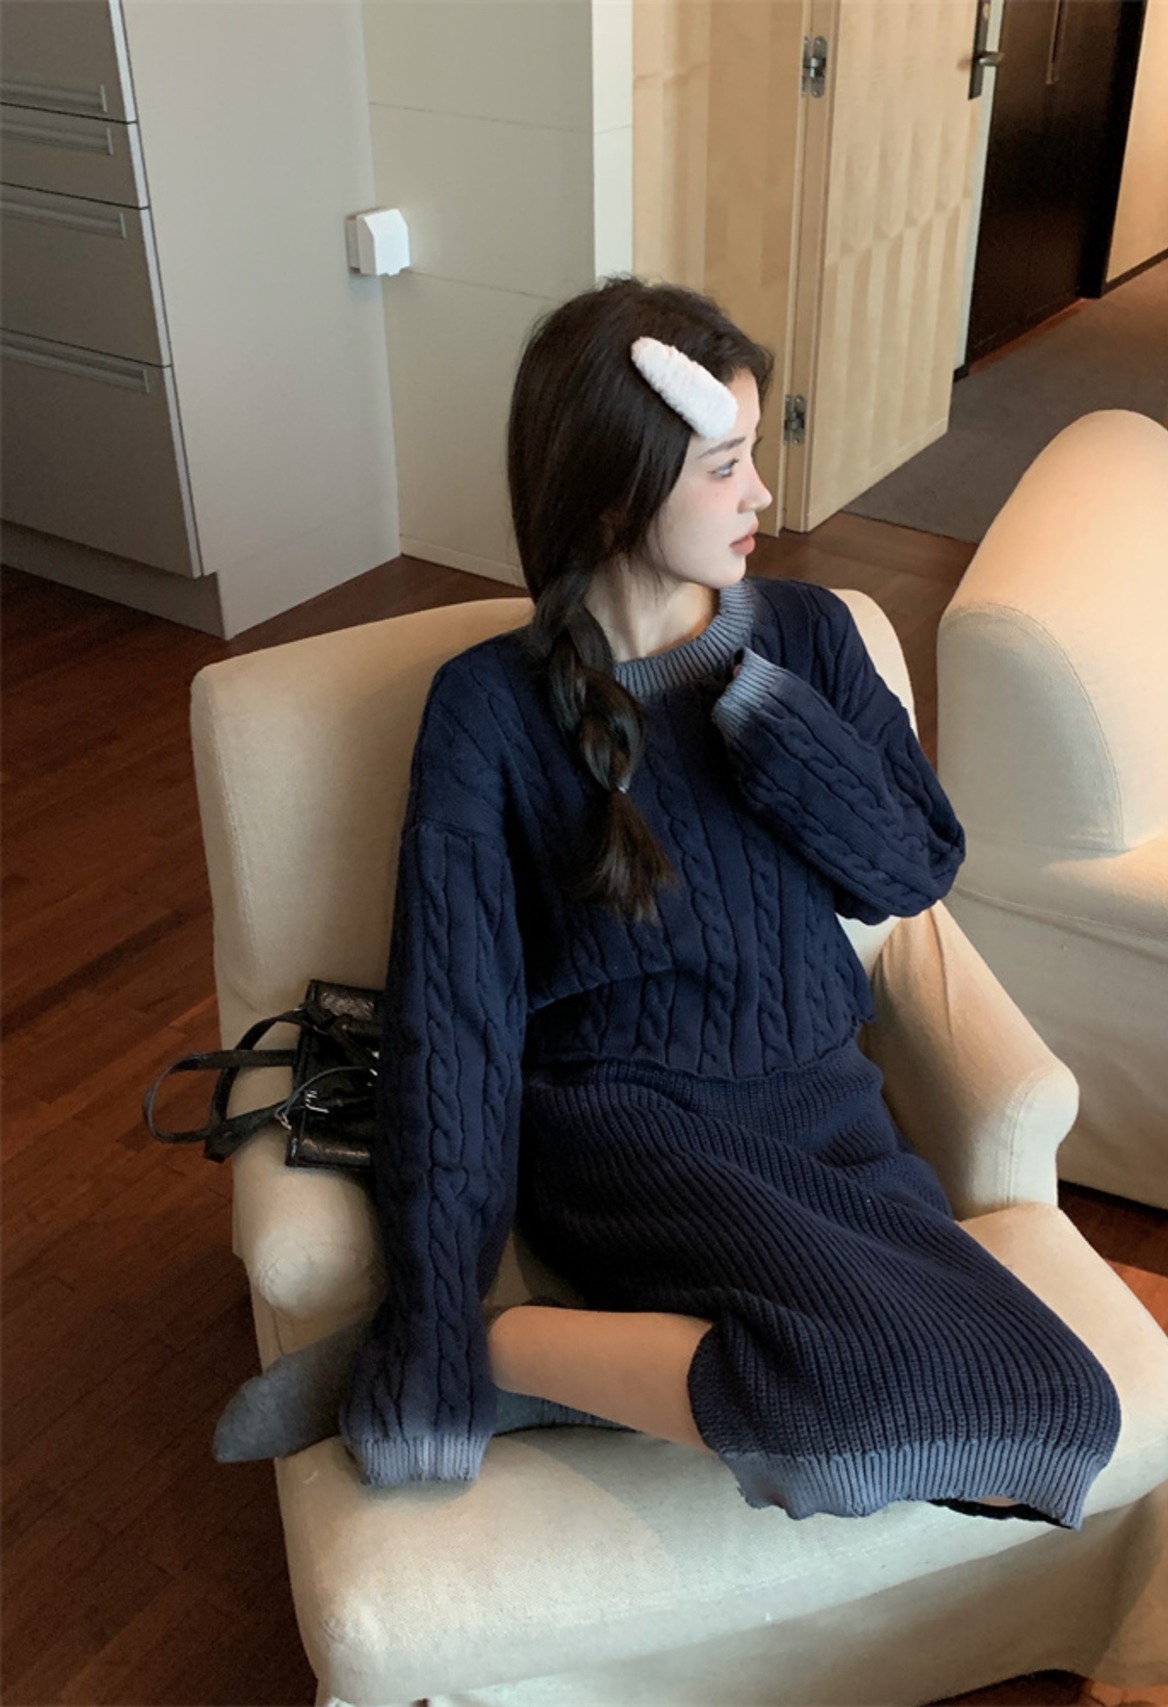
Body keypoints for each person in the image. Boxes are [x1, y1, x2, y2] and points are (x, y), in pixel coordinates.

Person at [215, 275, 1121, 1526]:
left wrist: (758, 704)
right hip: (627, 1132)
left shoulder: (808, 637)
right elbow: (455, 1021)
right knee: (846, 1397)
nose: (762, 497)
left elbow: (910, 868)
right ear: (615, 492)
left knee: (1066, 1410)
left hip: (824, 1111)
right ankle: (495, 1351)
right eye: (725, 465)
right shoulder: (489, 708)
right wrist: (430, 1317)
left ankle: (570, 1374)